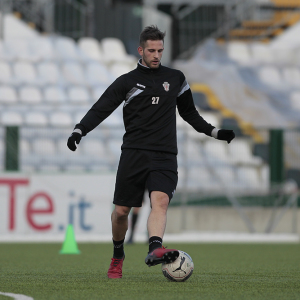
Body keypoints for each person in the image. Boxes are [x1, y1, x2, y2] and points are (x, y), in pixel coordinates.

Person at [67, 25, 235, 279]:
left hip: (165, 154)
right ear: (141, 50)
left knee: (160, 201)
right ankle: (118, 254)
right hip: (134, 153)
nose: (156, 55)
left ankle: (155, 247)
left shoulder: (176, 78)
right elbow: (101, 108)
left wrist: (215, 133)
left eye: (160, 50)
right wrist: (80, 130)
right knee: (121, 212)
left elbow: (189, 113)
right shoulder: (126, 82)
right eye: (152, 50)